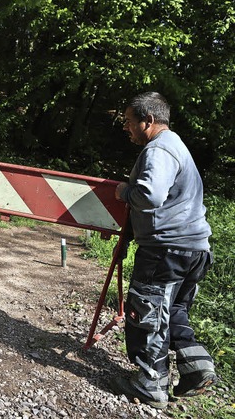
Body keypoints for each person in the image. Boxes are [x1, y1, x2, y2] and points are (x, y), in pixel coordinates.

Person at [110, 92, 218, 409]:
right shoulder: (176, 146)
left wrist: (124, 191)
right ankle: (197, 367)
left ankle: (150, 385)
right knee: (174, 312)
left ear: (150, 121)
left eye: (130, 122)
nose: (126, 128)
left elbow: (150, 196)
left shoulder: (159, 150)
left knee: (147, 314)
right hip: (195, 248)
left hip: (166, 250)